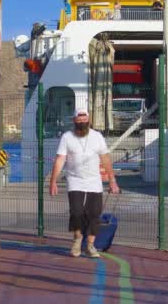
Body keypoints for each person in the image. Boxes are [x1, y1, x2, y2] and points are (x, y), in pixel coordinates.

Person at [49, 109, 120, 258]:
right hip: (75, 180)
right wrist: (53, 181)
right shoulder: (67, 137)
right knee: (76, 212)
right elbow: (60, 159)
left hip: (94, 181)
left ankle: (90, 245)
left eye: (84, 118)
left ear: (89, 119)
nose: (82, 121)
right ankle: (77, 239)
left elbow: (105, 158)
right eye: (79, 118)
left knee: (94, 214)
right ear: (74, 120)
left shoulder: (97, 137)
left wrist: (112, 180)